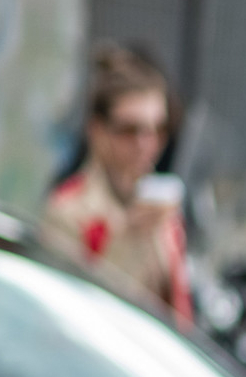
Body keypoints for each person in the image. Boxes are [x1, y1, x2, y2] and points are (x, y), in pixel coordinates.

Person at [43, 44, 191, 323]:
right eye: (130, 131)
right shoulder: (68, 210)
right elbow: (68, 317)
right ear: (97, 131)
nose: (146, 145)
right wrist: (128, 237)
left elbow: (179, 317)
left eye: (157, 130)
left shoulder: (161, 204)